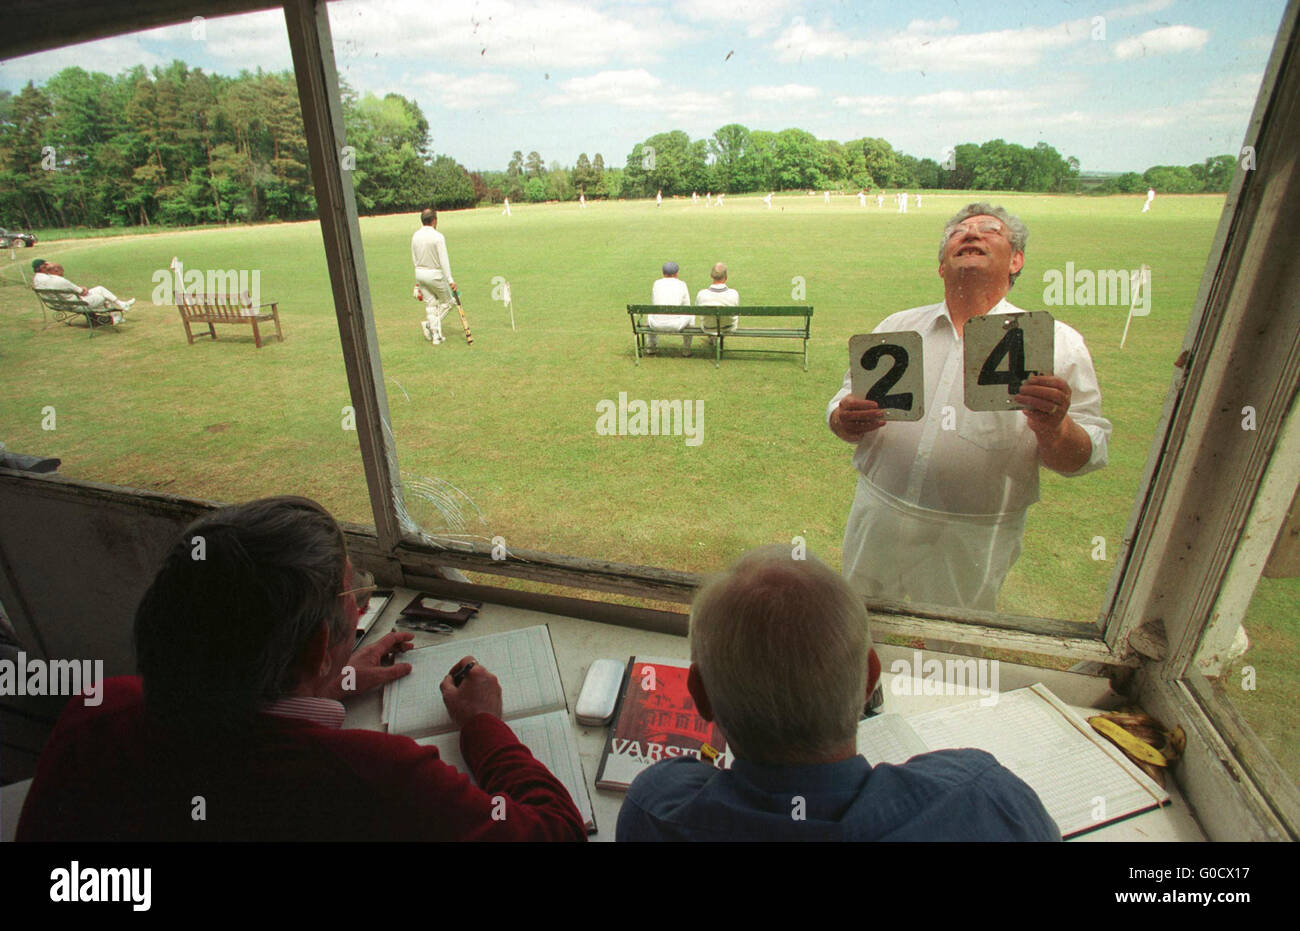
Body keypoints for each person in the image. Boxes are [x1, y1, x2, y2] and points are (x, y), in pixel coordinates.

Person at [16, 496, 586, 842]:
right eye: (352, 593)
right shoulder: (375, 778)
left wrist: (327, 680)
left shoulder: (98, 709)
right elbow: (556, 833)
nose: (362, 604)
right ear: (317, 645)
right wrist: (483, 726)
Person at [615, 546, 1060, 841]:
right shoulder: (985, 798)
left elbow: (670, 786)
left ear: (700, 695)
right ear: (870, 678)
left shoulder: (657, 814)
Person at [827, 203, 1111, 612]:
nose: (972, 234)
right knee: (857, 630)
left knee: (954, 649)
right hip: (878, 514)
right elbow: (840, 408)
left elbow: (1085, 456)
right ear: (942, 265)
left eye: (989, 230)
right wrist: (843, 419)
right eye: (959, 231)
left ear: (1017, 260)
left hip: (973, 536)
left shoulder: (1059, 343)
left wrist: (1055, 427)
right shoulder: (897, 326)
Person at [31, 258, 135, 322]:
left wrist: (47, 266)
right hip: (77, 304)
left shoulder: (36, 279)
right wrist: (83, 288)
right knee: (102, 296)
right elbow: (82, 291)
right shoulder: (58, 280)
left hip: (59, 303)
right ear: (44, 268)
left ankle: (121, 305)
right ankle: (117, 314)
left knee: (99, 289)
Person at [411, 207, 456, 345]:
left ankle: (436, 336)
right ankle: (430, 326)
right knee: (449, 302)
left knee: (431, 305)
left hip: (420, 274)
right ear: (434, 220)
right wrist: (450, 280)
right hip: (434, 275)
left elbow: (414, 257)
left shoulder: (415, 235)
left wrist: (417, 281)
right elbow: (444, 260)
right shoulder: (438, 236)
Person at [645, 261, 693, 357]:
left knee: (650, 314)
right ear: (676, 273)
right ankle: (686, 349)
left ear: (663, 273)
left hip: (656, 324)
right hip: (676, 325)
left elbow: (655, 302)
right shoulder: (682, 284)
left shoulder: (656, 283)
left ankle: (651, 347)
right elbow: (687, 306)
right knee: (691, 315)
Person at [695, 262, 739, 349]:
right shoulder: (733, 293)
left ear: (711, 276)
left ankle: (713, 338)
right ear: (726, 277)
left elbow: (697, 309)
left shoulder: (702, 294)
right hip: (728, 327)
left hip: (708, 327)